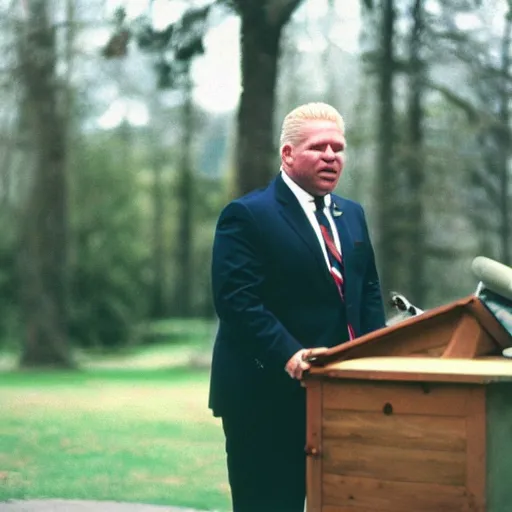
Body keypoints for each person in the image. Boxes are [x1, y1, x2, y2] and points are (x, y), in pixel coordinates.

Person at [209, 102, 386, 512]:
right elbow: (237, 301)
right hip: (265, 398)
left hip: (341, 396)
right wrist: (289, 355)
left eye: (338, 148)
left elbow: (368, 292)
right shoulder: (247, 215)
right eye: (319, 147)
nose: (331, 157)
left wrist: (376, 357)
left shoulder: (352, 215)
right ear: (287, 154)